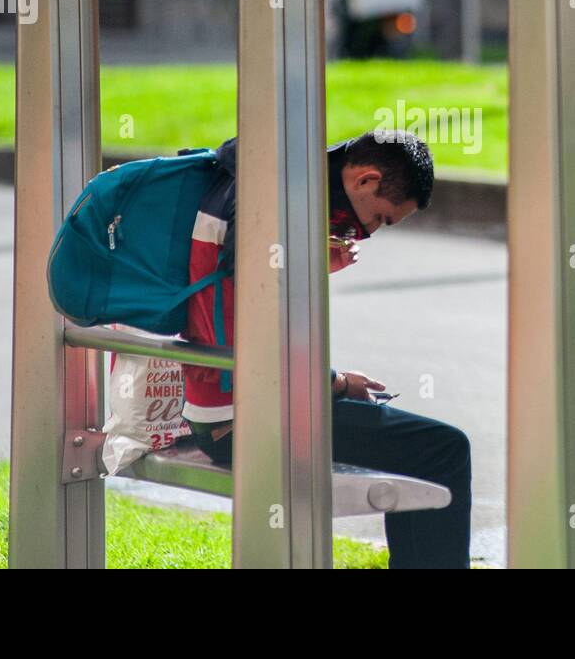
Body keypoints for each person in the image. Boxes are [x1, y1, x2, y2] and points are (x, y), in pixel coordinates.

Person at [179, 130, 471, 569]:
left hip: (225, 405)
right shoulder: (278, 206)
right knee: (443, 449)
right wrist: (334, 384)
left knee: (427, 447)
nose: (368, 232)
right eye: (380, 219)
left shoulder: (259, 180)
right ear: (367, 181)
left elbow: (241, 298)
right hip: (245, 418)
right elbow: (261, 329)